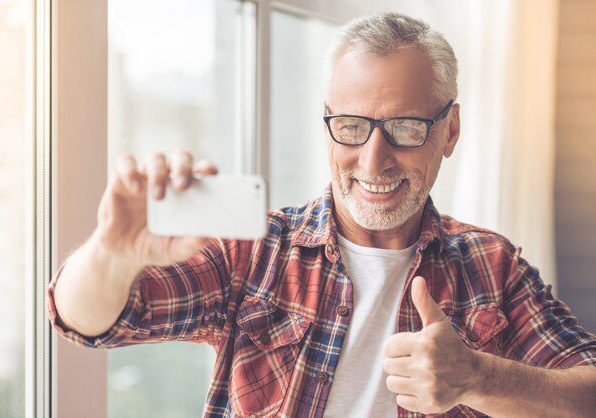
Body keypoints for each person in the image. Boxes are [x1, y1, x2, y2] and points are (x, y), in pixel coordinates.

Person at [47, 12, 596, 418]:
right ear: (328, 123)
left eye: (405, 128)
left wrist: (479, 377)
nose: (373, 160)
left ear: (449, 131)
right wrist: (111, 255)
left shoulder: (491, 264)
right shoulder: (255, 253)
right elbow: (90, 321)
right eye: (353, 127)